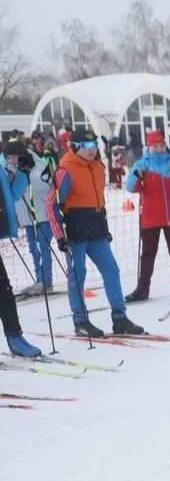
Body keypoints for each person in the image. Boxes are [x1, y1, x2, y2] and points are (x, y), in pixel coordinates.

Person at [48, 135, 144, 337]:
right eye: (86, 146)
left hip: (97, 229)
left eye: (94, 146)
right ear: (74, 147)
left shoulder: (98, 166)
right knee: (77, 276)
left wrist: (105, 226)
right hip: (75, 232)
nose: (92, 150)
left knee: (111, 270)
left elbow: (100, 201)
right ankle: (80, 320)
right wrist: (59, 235)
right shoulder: (65, 170)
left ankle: (120, 318)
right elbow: (51, 204)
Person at [124, 131, 170, 302]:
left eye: (161, 145)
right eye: (155, 146)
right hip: (150, 216)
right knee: (148, 254)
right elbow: (131, 188)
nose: (158, 148)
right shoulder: (142, 164)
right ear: (149, 147)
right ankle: (142, 289)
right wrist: (137, 176)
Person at [1, 142, 43, 357]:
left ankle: (15, 336)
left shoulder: (3, 165)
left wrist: (22, 173)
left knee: (4, 292)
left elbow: (12, 195)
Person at [4, 139, 54, 295]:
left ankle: (46, 281)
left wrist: (28, 173)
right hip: (26, 217)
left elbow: (46, 188)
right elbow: (14, 195)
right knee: (33, 248)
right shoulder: (8, 168)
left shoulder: (37, 165)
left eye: (15, 157)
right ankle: (39, 279)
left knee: (43, 247)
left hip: (43, 215)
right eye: (9, 157)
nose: (12, 160)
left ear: (23, 154)